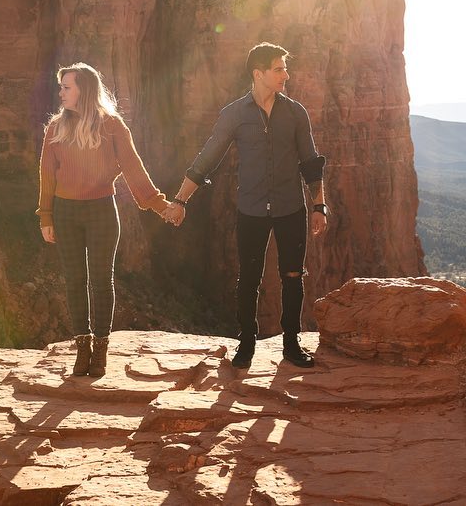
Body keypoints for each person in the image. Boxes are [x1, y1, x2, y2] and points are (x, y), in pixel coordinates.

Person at [163, 42, 328, 369]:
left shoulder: (296, 113)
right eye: (279, 69)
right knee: (249, 278)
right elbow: (206, 159)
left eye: (285, 68)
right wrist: (180, 200)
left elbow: (310, 163)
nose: (286, 75)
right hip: (251, 209)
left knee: (293, 276)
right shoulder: (234, 115)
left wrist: (319, 206)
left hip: (291, 208)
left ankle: (292, 344)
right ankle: (246, 344)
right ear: (259, 73)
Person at [37, 62, 175, 377]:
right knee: (74, 281)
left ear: (83, 90)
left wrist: (158, 204)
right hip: (65, 212)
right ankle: (81, 349)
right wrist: (45, 216)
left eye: (66, 87)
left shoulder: (112, 126)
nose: (61, 93)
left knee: (101, 281)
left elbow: (132, 167)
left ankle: (101, 349)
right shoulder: (55, 128)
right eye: (61, 87)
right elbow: (47, 175)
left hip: (101, 210)